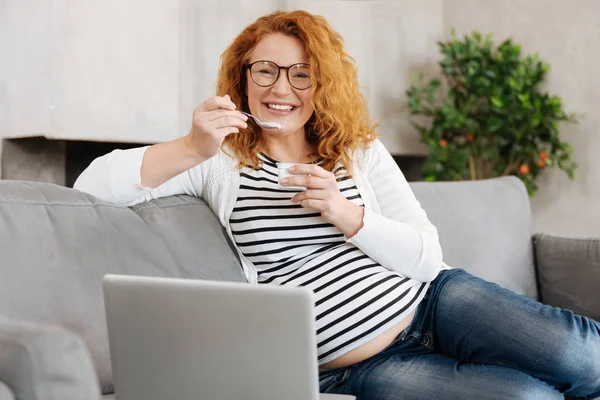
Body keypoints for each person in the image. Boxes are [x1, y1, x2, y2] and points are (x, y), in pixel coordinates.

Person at [74, 10, 600, 400]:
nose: (282, 88)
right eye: (266, 71)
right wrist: (190, 146)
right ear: (243, 76)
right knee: (531, 398)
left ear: (321, 83)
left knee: (583, 357)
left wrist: (351, 217)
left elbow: (425, 254)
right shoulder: (218, 161)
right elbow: (91, 186)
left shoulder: (356, 149)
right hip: (362, 368)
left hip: (435, 301)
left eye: (301, 73)